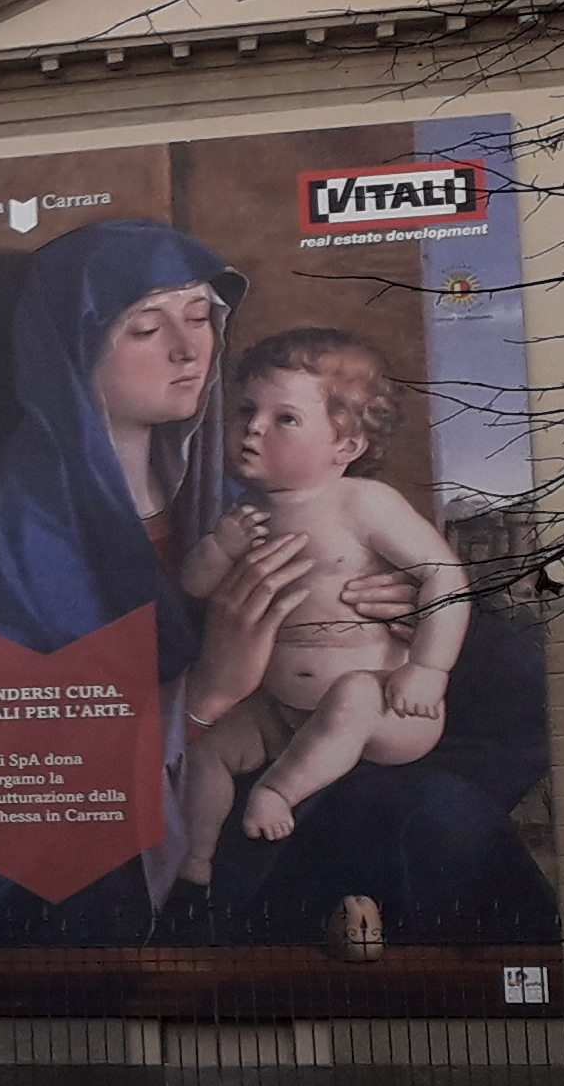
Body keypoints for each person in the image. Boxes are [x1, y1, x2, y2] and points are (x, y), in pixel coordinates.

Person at [0, 217, 551, 945]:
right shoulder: (17, 530)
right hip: (144, 836)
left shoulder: (230, 490)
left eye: (199, 318)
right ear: (72, 349)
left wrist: (391, 611)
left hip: (318, 751)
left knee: (479, 745)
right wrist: (207, 690)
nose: (189, 350)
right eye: (146, 328)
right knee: (437, 820)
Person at [173, 329, 470, 876]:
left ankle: (279, 792)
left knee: (352, 695)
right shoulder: (242, 511)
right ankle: (196, 858)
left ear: (346, 447)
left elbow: (445, 578)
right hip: (279, 711)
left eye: (285, 418)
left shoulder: (364, 503)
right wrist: (220, 548)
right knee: (208, 750)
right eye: (246, 410)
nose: (253, 428)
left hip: (386, 709)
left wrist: (428, 669)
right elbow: (193, 587)